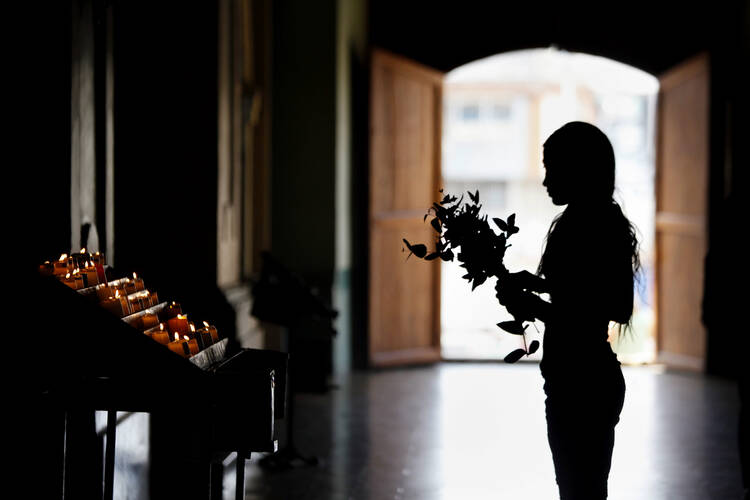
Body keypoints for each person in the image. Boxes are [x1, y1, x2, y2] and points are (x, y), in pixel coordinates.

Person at [496, 121, 639, 499]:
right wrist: (538, 286)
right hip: (569, 381)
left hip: (586, 383)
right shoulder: (577, 222)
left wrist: (538, 307)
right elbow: (583, 294)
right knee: (578, 488)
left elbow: (615, 307)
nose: (545, 180)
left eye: (552, 168)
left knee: (582, 490)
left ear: (579, 169)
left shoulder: (603, 226)